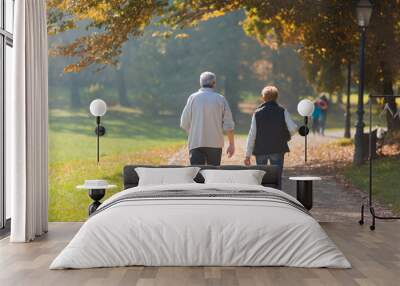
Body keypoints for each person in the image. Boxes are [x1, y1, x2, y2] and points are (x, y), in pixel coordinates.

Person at [244, 86, 297, 188]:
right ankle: (278, 198)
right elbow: (293, 128)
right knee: (277, 177)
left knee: (261, 178)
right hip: (277, 148)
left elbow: (252, 134)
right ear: (276, 97)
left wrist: (247, 155)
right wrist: (285, 136)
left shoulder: (257, 113)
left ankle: (264, 198)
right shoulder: (282, 111)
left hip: (260, 150)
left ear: (263, 98)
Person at [180, 72, 235, 166]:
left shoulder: (193, 98)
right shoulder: (220, 99)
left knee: (197, 174)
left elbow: (184, 123)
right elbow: (228, 124)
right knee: (213, 175)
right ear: (214, 83)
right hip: (215, 144)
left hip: (196, 143)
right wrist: (231, 144)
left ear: (200, 83)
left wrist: (194, 133)